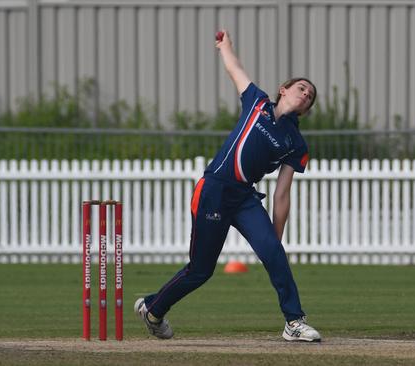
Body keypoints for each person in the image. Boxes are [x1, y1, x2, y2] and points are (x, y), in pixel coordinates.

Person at [134, 29, 321, 342]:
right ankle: (153, 310)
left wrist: (273, 240)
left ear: (305, 109)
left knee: (276, 254)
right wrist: (225, 46)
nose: (305, 94)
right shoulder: (256, 102)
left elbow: (283, 193)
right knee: (200, 270)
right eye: (301, 88)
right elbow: (235, 69)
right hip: (214, 191)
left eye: (310, 97)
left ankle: (294, 322)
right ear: (283, 90)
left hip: (245, 199)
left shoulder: (296, 143)